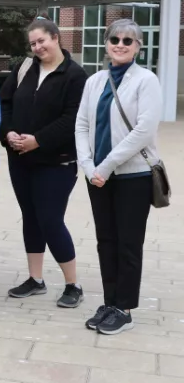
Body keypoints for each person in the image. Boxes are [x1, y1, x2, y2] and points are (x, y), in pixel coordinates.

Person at [76, 19, 162, 335]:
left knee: (128, 243)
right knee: (105, 241)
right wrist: (87, 165)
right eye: (115, 38)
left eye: (129, 40)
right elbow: (82, 125)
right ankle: (110, 300)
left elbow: (143, 130)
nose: (121, 44)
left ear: (138, 46)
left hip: (132, 176)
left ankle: (124, 308)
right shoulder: (95, 81)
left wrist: (106, 165)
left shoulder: (146, 81)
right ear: (106, 42)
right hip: (97, 175)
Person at [0, 16, 87, 308]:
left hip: (56, 162)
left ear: (56, 38)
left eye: (42, 41)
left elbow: (72, 119)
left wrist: (38, 139)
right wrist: (7, 132)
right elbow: (5, 102)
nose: (37, 47)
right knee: (31, 218)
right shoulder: (24, 68)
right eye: (33, 43)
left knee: (50, 220)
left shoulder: (75, 75)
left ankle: (73, 284)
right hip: (21, 160)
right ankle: (35, 280)